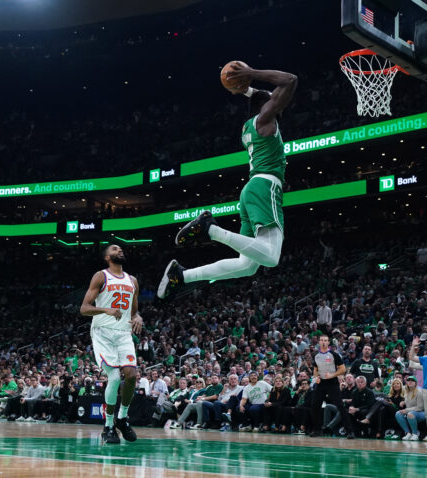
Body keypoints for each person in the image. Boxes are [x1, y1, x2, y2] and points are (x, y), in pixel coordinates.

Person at [157, 64, 298, 299]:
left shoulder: (250, 125)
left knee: (248, 265)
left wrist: (245, 89)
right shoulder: (265, 121)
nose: (281, 103)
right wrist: (251, 74)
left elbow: (264, 97)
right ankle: (210, 229)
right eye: (275, 101)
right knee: (271, 257)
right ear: (266, 105)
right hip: (265, 186)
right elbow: (290, 79)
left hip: (251, 191)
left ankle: (182, 276)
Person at [80, 244, 144, 445]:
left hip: (124, 332)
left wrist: (138, 317)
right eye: (115, 249)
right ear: (107, 257)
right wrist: (105, 310)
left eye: (121, 249)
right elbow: (84, 308)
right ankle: (108, 426)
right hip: (103, 332)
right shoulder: (101, 276)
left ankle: (122, 418)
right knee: (114, 377)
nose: (120, 251)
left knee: (132, 375)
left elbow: (134, 311)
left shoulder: (132, 280)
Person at [309, 335, 355, 439]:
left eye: (325, 340)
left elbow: (343, 369)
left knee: (340, 406)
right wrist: (316, 377)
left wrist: (332, 375)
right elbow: (315, 369)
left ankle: (350, 431)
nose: (323, 342)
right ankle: (317, 430)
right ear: (319, 342)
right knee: (314, 406)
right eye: (321, 340)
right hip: (321, 383)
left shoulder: (334, 354)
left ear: (328, 342)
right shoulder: (316, 355)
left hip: (332, 383)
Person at [395, 376, 426, 441]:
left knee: (410, 414)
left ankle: (415, 434)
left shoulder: (419, 392)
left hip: (422, 413)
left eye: (412, 381)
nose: (410, 382)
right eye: (408, 381)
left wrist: (406, 410)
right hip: (411, 411)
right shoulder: (406, 391)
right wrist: (403, 402)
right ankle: (408, 433)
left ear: (416, 383)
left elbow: (420, 407)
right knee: (398, 413)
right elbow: (410, 402)